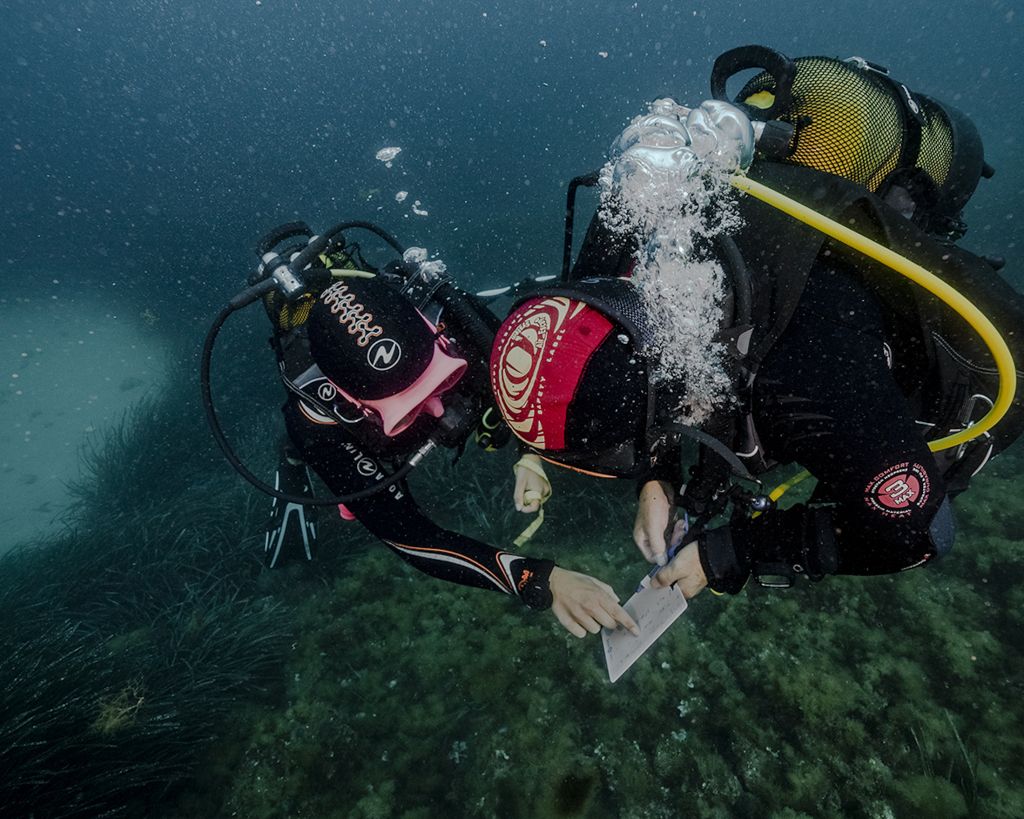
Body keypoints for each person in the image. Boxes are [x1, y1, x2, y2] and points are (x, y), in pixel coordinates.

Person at [489, 47, 1024, 599]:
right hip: (805, 258)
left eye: (633, 443)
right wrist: (660, 478)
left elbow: (914, 534)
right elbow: (680, 374)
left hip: (967, 369)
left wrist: (727, 554)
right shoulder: (646, 240)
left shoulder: (804, 382)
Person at [257, 222, 639, 638]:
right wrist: (535, 579)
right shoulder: (319, 421)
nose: (440, 410)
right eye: (409, 408)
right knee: (312, 455)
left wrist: (529, 453)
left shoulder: (448, 314)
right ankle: (295, 457)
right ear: (358, 407)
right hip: (339, 436)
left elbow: (523, 376)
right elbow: (411, 538)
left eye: (441, 381)